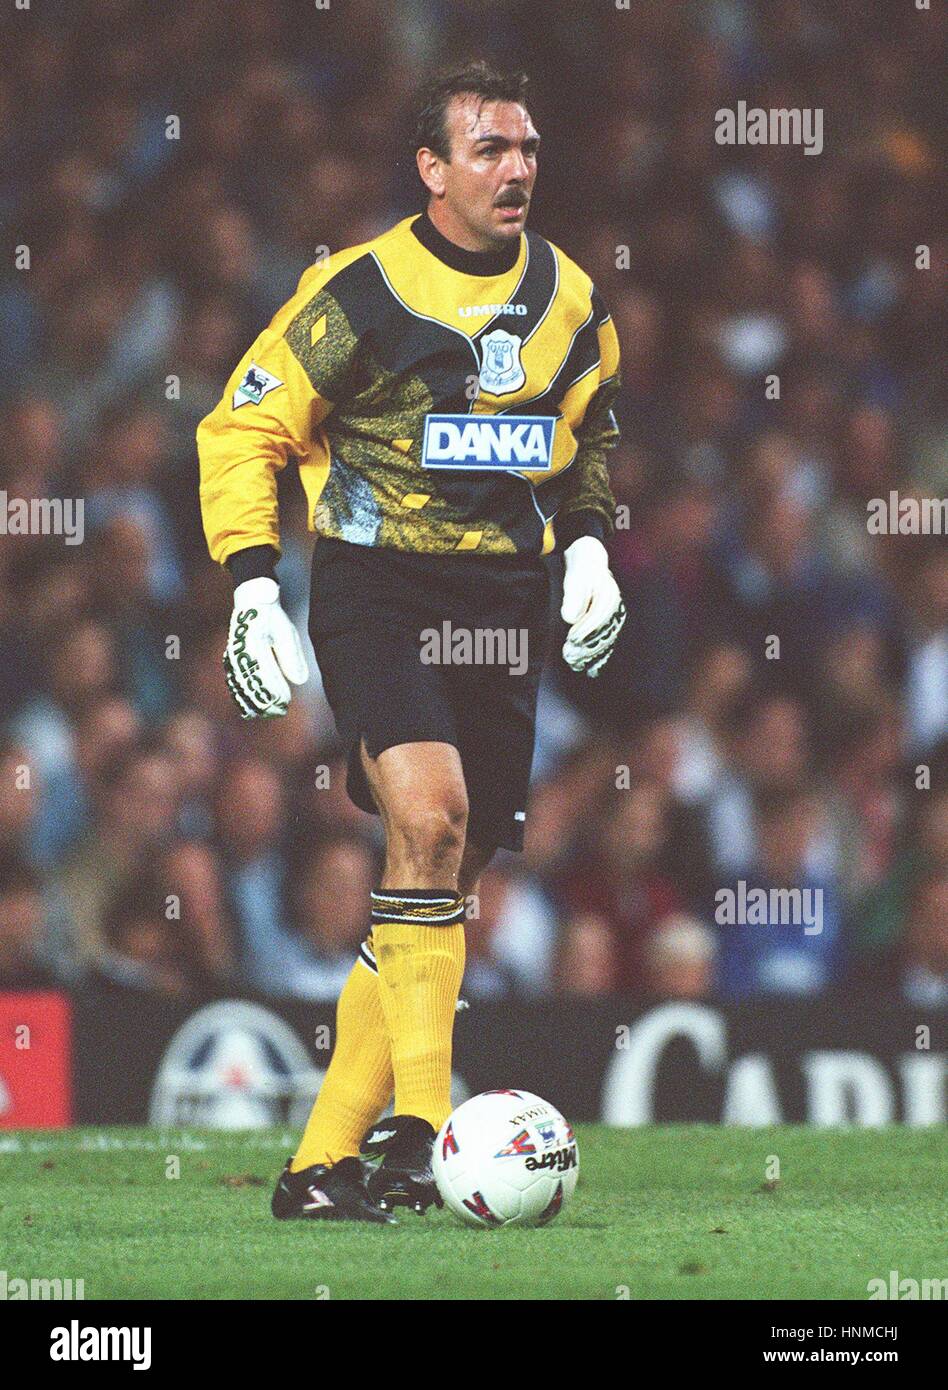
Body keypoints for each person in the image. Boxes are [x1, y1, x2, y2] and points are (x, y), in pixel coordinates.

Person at [197, 61, 626, 1222]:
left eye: (527, 147)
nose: (518, 167)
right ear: (431, 169)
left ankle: (320, 1167)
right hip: (376, 586)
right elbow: (245, 424)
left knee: (443, 873)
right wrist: (249, 581)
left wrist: (587, 544)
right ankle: (424, 1136)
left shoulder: (573, 298)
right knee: (428, 819)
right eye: (489, 148)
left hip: (504, 605)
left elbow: (588, 436)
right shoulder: (360, 292)